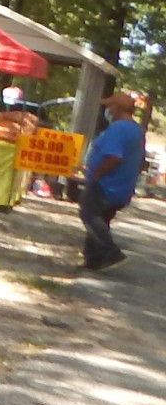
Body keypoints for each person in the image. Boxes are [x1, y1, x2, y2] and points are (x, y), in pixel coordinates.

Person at [79, 91, 147, 271]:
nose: (107, 110)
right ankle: (93, 260)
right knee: (101, 219)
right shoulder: (136, 130)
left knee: (89, 214)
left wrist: (96, 174)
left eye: (109, 106)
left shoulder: (118, 128)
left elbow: (114, 157)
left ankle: (109, 250)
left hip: (106, 185)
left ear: (117, 108)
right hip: (122, 186)